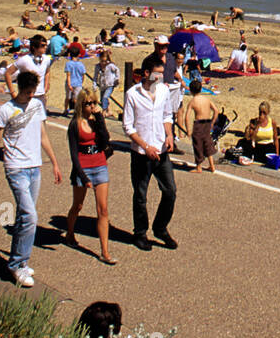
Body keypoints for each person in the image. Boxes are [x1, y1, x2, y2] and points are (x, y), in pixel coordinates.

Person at [0, 71, 63, 288]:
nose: (30, 96)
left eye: (33, 93)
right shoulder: (5, 110)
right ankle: (17, 263)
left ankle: (21, 260)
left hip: (34, 166)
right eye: (27, 93)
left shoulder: (37, 106)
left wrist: (54, 162)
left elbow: (43, 136)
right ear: (19, 88)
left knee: (24, 216)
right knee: (30, 216)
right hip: (15, 167)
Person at [122, 53, 178, 251]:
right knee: (140, 194)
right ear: (147, 73)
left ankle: (160, 228)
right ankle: (140, 233)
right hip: (141, 153)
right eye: (158, 74)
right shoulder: (133, 94)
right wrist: (146, 146)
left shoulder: (163, 91)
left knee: (170, 191)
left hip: (161, 151)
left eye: (163, 74)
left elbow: (167, 116)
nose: (161, 77)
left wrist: (169, 135)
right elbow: (128, 126)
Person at [64, 87, 115, 264]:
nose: (92, 106)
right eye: (88, 103)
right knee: (78, 205)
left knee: (103, 209)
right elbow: (73, 153)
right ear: (81, 104)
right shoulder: (75, 124)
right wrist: (83, 177)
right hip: (83, 167)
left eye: (94, 103)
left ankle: (105, 251)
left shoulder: (95, 121)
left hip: (100, 165)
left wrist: (100, 118)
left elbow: (105, 139)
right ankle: (70, 233)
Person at [177, 79, 219, 172]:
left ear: (191, 91)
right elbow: (216, 110)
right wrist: (212, 122)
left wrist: (188, 130)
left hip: (199, 124)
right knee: (208, 144)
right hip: (207, 123)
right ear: (200, 89)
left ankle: (198, 167)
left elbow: (187, 117)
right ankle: (212, 165)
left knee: (198, 145)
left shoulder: (192, 101)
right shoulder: (206, 99)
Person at [6, 34, 52, 110]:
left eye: (46, 45)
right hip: (26, 96)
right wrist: (12, 92)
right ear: (34, 47)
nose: (45, 47)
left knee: (41, 120)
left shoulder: (47, 59)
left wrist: (46, 85)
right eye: (43, 45)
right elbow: (8, 73)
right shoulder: (24, 60)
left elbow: (47, 71)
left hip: (41, 96)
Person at [94, 49, 120, 113]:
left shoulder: (110, 66)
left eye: (105, 61)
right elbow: (95, 77)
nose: (103, 63)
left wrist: (116, 79)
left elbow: (117, 70)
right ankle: (109, 110)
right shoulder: (97, 67)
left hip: (110, 84)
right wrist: (94, 85)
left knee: (105, 97)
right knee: (102, 99)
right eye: (102, 61)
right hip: (102, 85)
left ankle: (104, 112)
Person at [63, 53, 87, 118]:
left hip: (70, 82)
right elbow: (83, 75)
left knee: (68, 97)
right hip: (78, 83)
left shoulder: (68, 64)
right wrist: (81, 82)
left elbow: (68, 75)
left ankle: (65, 109)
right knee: (77, 99)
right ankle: (76, 112)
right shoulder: (81, 64)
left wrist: (69, 84)